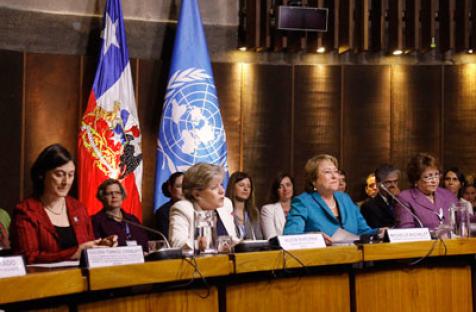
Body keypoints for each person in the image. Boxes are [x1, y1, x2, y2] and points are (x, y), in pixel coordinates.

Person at [10, 144, 100, 264]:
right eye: (59, 174)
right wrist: (74, 253)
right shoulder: (26, 211)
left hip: (80, 280)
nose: (66, 182)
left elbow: (87, 248)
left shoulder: (78, 208)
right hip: (43, 281)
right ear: (42, 175)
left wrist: (100, 247)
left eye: (71, 174)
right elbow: (28, 257)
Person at [284, 154, 378, 238]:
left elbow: (364, 231)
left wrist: (380, 232)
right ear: (313, 180)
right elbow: (290, 236)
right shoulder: (303, 202)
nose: (334, 176)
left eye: (336, 171)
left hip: (352, 255)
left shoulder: (345, 199)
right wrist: (314, 237)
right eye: (327, 172)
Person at [169, 163, 239, 251]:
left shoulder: (226, 205)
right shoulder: (183, 209)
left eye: (221, 185)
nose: (222, 191)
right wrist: (197, 244)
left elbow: (233, 240)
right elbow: (177, 244)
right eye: (214, 188)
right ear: (197, 194)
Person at [395, 153, 457, 229]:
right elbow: (406, 230)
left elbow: (463, 218)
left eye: (436, 174)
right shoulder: (405, 198)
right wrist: (433, 234)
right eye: (428, 177)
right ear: (416, 180)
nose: (434, 181)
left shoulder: (447, 195)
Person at [92, 179, 148, 252]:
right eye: (109, 193)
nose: (114, 196)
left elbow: (145, 243)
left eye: (117, 193)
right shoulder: (95, 221)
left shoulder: (133, 220)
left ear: (122, 196)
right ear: (102, 197)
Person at [226, 171, 263, 240]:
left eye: (249, 186)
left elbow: (259, 238)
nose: (246, 189)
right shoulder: (225, 212)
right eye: (241, 185)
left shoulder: (254, 212)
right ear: (232, 187)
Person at [260, 173, 295, 239]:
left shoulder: (300, 208)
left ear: (293, 187)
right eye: (280, 187)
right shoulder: (267, 210)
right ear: (276, 190)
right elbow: (271, 239)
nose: (285, 189)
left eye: (288, 185)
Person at [155, 172, 184, 239]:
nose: (184, 190)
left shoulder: (194, 207)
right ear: (170, 188)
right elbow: (166, 239)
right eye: (179, 186)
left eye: (186, 186)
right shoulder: (163, 212)